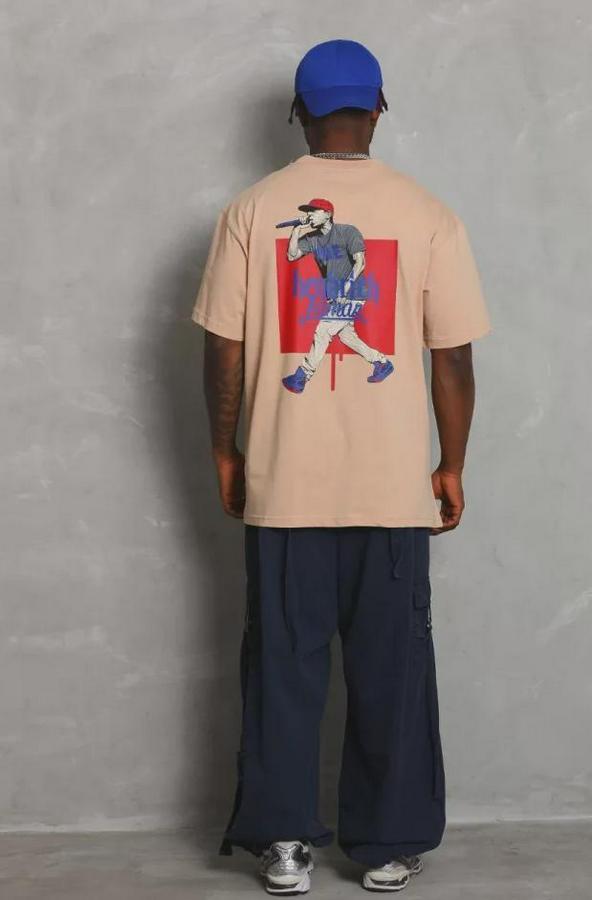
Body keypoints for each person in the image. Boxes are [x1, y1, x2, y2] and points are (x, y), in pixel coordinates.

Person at [191, 38, 492, 895]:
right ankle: (389, 842)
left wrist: (225, 448)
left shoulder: (250, 211)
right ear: (380, 108)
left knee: (281, 665)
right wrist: (452, 463)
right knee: (392, 668)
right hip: (392, 488)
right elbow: (453, 356)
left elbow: (223, 346)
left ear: (298, 111)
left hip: (284, 484)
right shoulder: (428, 214)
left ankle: (284, 843)